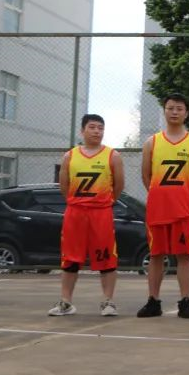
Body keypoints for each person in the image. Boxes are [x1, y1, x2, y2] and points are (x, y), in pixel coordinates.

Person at [137, 94, 189, 319]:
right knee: (156, 254)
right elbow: (146, 175)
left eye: (179, 108)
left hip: (183, 210)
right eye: (170, 108)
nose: (174, 112)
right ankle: (153, 300)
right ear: (164, 111)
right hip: (158, 209)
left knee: (184, 255)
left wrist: (188, 195)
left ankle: (185, 301)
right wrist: (159, 194)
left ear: (186, 113)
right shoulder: (152, 142)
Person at [49, 114, 125, 317]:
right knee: (70, 259)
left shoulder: (112, 156)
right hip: (75, 213)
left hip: (101, 213)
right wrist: (78, 202)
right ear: (82, 130)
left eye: (100, 128)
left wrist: (104, 202)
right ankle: (66, 302)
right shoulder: (70, 156)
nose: (97, 131)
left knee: (106, 258)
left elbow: (119, 186)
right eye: (92, 127)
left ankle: (108, 302)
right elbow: (64, 186)